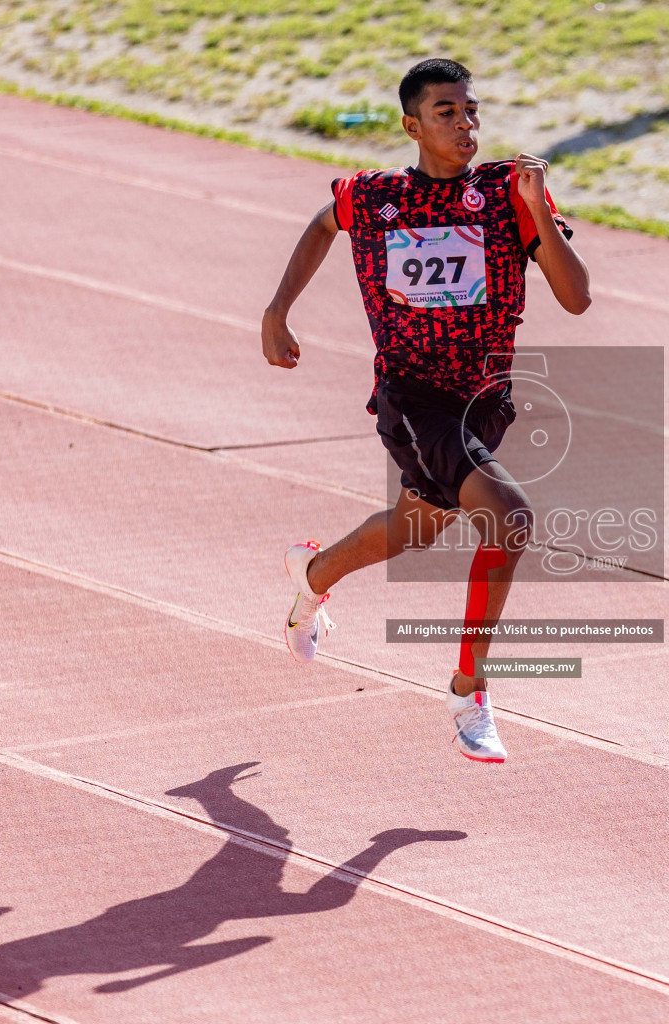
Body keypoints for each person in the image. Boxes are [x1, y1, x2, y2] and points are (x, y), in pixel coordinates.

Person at [260, 58, 592, 763]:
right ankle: (469, 690)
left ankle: (311, 577)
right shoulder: (375, 197)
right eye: (446, 113)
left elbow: (577, 297)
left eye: (471, 110)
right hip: (414, 397)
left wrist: (539, 212)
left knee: (420, 525)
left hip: (485, 401)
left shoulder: (509, 192)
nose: (465, 124)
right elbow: (323, 225)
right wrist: (277, 309)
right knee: (510, 517)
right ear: (413, 126)